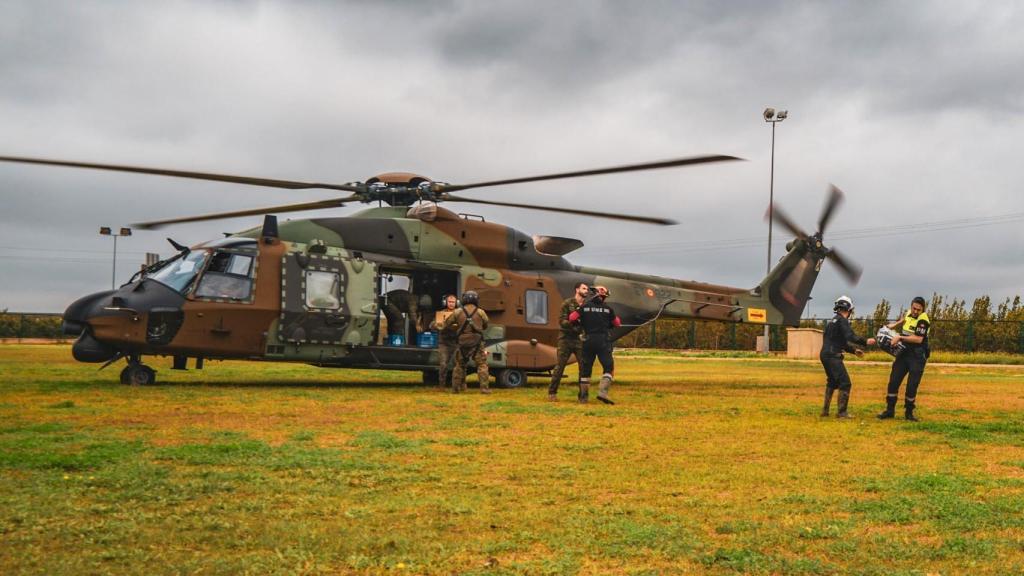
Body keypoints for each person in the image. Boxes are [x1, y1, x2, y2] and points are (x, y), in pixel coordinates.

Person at [819, 295, 876, 418]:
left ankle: (825, 411)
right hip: (833, 356)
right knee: (845, 383)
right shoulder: (842, 321)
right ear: (849, 310)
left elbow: (841, 342)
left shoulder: (832, 321)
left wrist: (854, 351)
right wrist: (865, 342)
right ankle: (842, 412)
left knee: (832, 382)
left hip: (825, 355)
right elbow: (850, 336)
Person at [877, 296, 931, 421]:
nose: (915, 311)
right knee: (893, 381)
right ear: (911, 306)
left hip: (917, 356)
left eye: (918, 309)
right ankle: (890, 411)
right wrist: (892, 326)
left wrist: (900, 337)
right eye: (914, 308)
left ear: (922, 310)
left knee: (912, 385)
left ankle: (909, 413)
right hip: (904, 353)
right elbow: (903, 320)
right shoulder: (909, 313)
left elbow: (918, 339)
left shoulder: (923, 320)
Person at [569, 286, 621, 404]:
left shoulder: (585, 307)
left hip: (588, 340)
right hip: (603, 341)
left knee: (586, 370)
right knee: (608, 368)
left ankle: (583, 397)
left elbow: (572, 318)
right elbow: (617, 323)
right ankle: (603, 393)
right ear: (604, 296)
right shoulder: (608, 309)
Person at [442, 290, 491, 394]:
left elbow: (446, 323)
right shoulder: (480, 312)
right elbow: (486, 325)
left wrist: (456, 328)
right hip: (477, 342)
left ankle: (456, 389)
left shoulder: (458, 312)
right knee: (482, 365)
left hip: (462, 342)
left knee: (459, 365)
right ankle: (484, 388)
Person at [548, 282, 589, 401]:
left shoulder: (587, 306)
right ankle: (552, 392)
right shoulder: (567, 303)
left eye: (587, 289)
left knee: (584, 367)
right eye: (584, 288)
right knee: (560, 366)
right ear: (577, 290)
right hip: (565, 338)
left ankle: (583, 395)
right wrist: (575, 323)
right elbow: (562, 321)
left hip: (579, 339)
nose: (586, 290)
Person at [430, 294, 459, 388]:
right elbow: (431, 326)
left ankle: (457, 385)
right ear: (446, 303)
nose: (451, 304)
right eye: (449, 302)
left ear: (456, 303)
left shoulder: (459, 313)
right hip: (444, 343)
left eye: (453, 302)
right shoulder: (441, 313)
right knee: (443, 364)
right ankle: (441, 385)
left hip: (456, 343)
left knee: (458, 365)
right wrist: (437, 324)